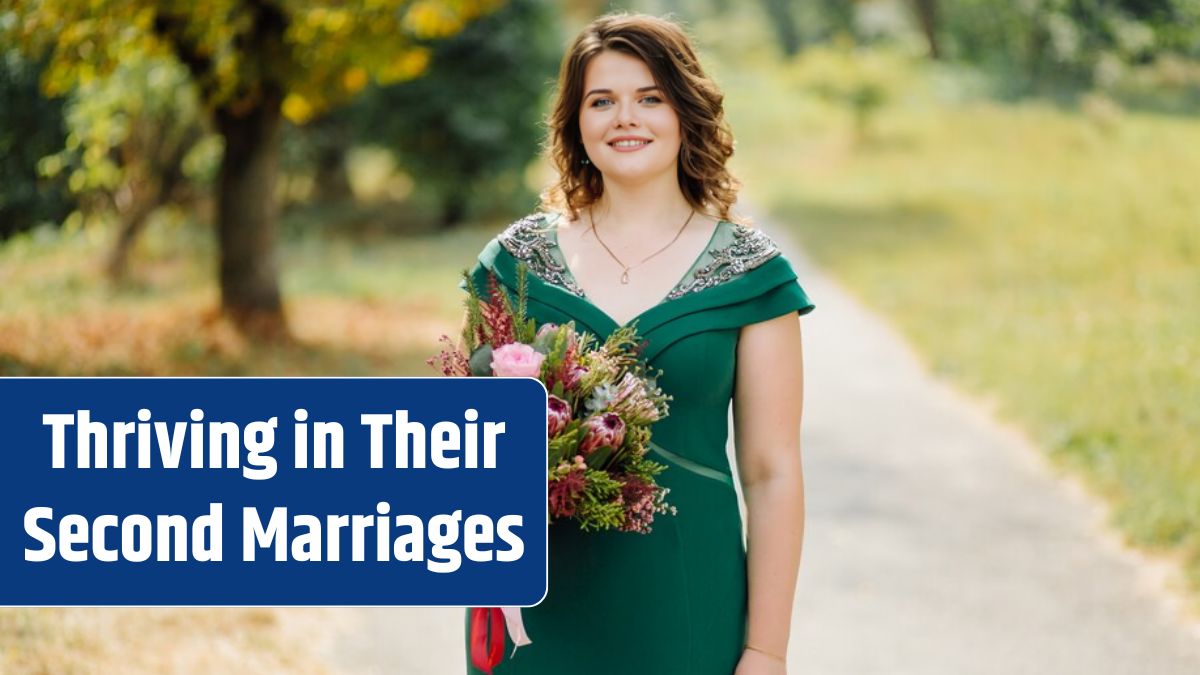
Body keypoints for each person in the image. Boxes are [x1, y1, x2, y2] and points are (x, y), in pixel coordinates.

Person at [461, 11, 814, 675]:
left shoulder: (751, 275)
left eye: (650, 97)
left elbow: (772, 472)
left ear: (685, 112)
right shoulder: (510, 265)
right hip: (536, 616)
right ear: (576, 123)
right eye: (602, 101)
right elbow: (463, 451)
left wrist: (766, 649)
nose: (627, 117)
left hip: (687, 605)